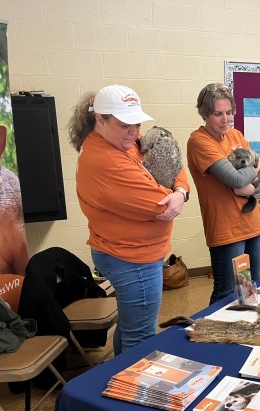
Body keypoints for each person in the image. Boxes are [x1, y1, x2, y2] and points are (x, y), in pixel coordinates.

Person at [71, 84, 190, 355]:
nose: (135, 132)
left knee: (129, 327)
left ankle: (117, 378)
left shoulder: (122, 142)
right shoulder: (108, 162)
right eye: (126, 125)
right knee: (141, 338)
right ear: (100, 119)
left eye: (137, 123)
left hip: (128, 251)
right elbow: (162, 207)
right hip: (132, 258)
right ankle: (132, 391)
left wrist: (180, 191)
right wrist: (176, 195)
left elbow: (174, 166)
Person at [187, 83, 260, 304]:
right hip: (226, 229)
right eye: (218, 114)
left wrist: (251, 187)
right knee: (226, 293)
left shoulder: (236, 135)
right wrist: (255, 169)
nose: (225, 120)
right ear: (205, 114)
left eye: (229, 113)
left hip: (252, 224)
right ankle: (212, 336)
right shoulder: (199, 141)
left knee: (252, 290)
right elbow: (235, 179)